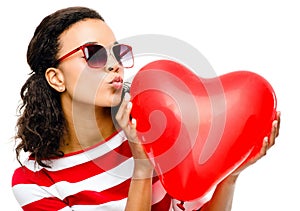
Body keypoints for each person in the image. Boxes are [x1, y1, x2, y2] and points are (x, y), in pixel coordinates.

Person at [11, 6, 281, 211]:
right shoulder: (34, 182)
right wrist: (142, 167)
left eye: (117, 52)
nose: (115, 64)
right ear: (56, 78)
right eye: (94, 53)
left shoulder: (153, 123)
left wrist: (230, 175)